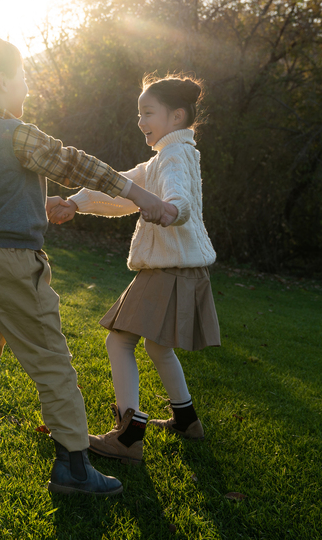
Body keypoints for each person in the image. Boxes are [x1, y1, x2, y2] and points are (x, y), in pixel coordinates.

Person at [0, 36, 175, 496]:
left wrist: (36, 203)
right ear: (3, 80)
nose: (26, 83)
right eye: (22, 75)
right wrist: (139, 194)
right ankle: (74, 467)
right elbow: (74, 163)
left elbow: (0, 191)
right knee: (53, 363)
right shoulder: (17, 133)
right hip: (14, 265)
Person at [47, 75, 219, 465]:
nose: (140, 121)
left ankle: (127, 438)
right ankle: (187, 418)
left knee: (119, 341)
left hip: (168, 270)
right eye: (138, 113)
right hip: (184, 270)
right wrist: (76, 202)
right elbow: (123, 189)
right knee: (158, 347)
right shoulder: (171, 156)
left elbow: (180, 197)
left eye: (147, 113)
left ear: (176, 116)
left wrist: (173, 210)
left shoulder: (173, 159)